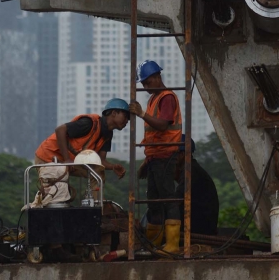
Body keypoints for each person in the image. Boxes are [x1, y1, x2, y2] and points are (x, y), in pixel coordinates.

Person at [34, 99, 131, 194]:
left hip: (68, 162)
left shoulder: (108, 134)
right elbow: (60, 130)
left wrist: (113, 166)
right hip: (48, 156)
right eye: (125, 116)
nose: (127, 121)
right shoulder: (90, 123)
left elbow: (100, 161)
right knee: (55, 195)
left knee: (97, 171)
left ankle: (96, 205)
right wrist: (67, 160)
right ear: (114, 113)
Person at [135, 60, 182, 253]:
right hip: (155, 157)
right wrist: (148, 160)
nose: (146, 87)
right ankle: (154, 243)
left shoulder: (166, 97)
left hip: (166, 155)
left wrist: (141, 114)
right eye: (144, 84)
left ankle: (171, 245)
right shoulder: (154, 98)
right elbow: (153, 134)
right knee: (153, 200)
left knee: (167, 198)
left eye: (148, 82)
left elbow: (162, 125)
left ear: (157, 77)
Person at [175, 136, 219, 237]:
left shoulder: (190, 171)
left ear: (181, 155)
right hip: (201, 222)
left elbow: (176, 200)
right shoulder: (192, 168)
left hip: (200, 226)